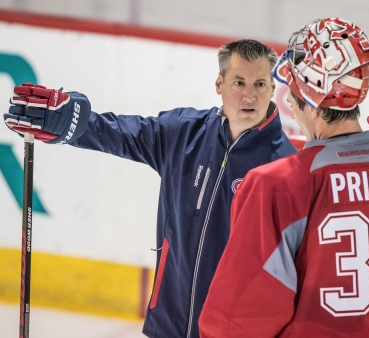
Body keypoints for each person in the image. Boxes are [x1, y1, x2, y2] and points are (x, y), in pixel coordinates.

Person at [199, 17, 369, 337]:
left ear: (311, 101)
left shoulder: (274, 186)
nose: (287, 99)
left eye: (293, 89)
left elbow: (236, 325)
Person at [3, 39, 297, 338]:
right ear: (219, 84)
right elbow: (122, 134)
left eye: (260, 84)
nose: (250, 95)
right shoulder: (184, 132)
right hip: (169, 323)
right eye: (239, 82)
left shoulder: (284, 167)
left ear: (272, 89)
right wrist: (74, 124)